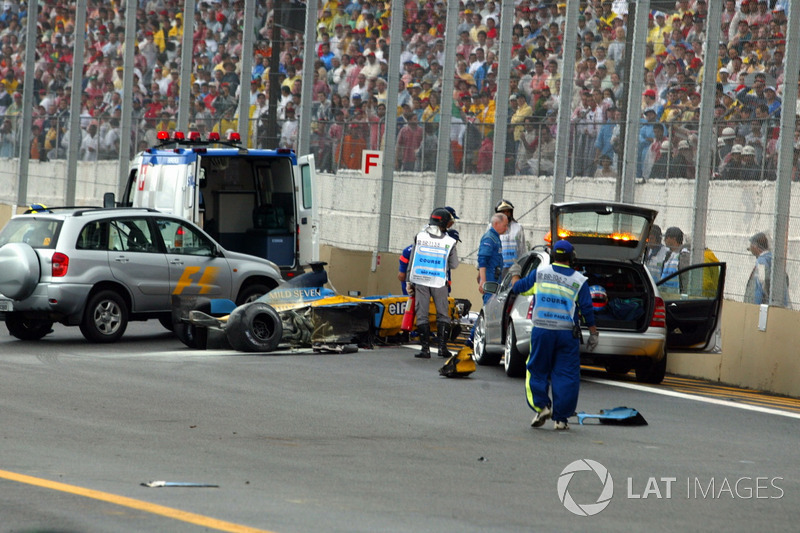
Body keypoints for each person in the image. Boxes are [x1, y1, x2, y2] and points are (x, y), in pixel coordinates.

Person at [507, 240, 599, 431]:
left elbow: (518, 288)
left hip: (542, 331)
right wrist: (593, 332)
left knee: (537, 369)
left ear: (554, 255)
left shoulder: (540, 273)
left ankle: (541, 407)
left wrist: (515, 274)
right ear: (572, 257)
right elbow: (587, 309)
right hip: (567, 334)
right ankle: (561, 419)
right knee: (566, 375)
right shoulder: (579, 280)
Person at [407, 208, 459, 359]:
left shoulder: (419, 237)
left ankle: (425, 350)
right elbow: (454, 265)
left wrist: (408, 282)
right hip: (439, 281)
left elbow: (412, 259)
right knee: (443, 314)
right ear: (444, 223)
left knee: (422, 313)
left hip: (420, 280)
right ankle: (442, 348)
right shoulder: (450, 241)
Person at [465, 212, 508, 350]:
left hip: (494, 279)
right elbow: (483, 259)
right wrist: (483, 280)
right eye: (505, 225)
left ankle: (473, 339)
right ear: (496, 224)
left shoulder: (496, 238)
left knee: (489, 310)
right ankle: (472, 340)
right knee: (487, 310)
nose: (506, 228)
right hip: (490, 281)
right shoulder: (489, 238)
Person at [745, 232, 789, 306]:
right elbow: (786, 278)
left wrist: (757, 305)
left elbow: (762, 282)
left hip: (764, 307)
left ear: (756, 247)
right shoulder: (772, 258)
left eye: (751, 246)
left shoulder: (762, 261)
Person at [493, 200, 526, 277]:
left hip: (513, 269)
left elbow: (522, 249)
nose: (506, 214)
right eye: (503, 212)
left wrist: (522, 266)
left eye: (508, 212)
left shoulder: (518, 227)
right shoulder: (492, 227)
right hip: (496, 268)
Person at [660, 226, 691, 292]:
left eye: (666, 237)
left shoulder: (684, 254)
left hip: (677, 294)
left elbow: (685, 276)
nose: (664, 240)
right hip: (666, 292)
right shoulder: (668, 255)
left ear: (673, 239)